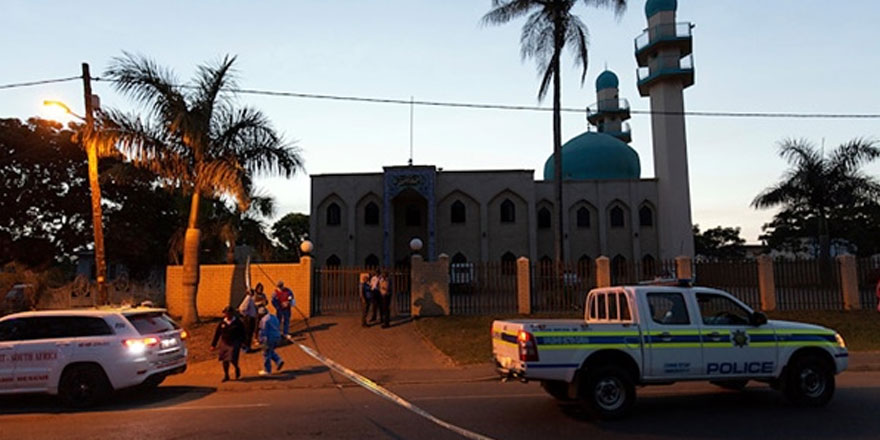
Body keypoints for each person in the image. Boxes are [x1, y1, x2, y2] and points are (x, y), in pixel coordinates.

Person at [211, 306, 246, 382]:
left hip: (234, 342)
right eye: (225, 313)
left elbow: (243, 333)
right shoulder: (222, 323)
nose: (227, 315)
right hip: (224, 342)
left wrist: (243, 342)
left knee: (232, 358)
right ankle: (226, 375)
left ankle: (236, 368)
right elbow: (217, 334)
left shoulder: (237, 322)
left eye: (228, 313)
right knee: (225, 360)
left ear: (232, 313)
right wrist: (213, 345)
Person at [257, 306, 284, 376]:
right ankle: (278, 360)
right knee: (270, 351)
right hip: (276, 337)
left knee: (266, 353)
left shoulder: (264, 320)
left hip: (268, 338)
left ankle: (267, 370)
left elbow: (263, 331)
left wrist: (260, 339)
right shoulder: (273, 317)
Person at [238, 286, 258, 352]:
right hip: (249, 319)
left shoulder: (251, 299)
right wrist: (246, 315)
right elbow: (242, 308)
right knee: (248, 333)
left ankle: (247, 347)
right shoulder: (248, 299)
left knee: (250, 333)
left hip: (251, 318)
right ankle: (246, 347)